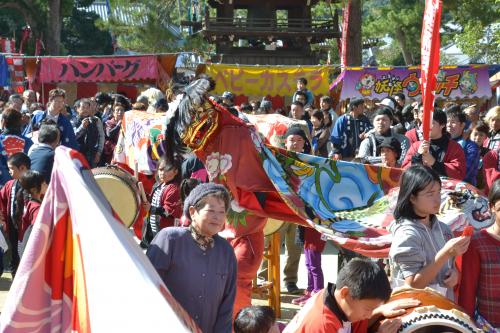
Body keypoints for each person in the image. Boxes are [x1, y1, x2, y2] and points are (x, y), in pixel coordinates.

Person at [146, 183, 237, 333]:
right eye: (211, 210)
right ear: (193, 212)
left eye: (222, 212)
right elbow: (149, 286)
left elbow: (227, 305)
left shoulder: (226, 251)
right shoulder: (170, 239)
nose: (217, 217)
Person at [389, 165, 471, 300]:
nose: (437, 199)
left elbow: (451, 265)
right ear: (412, 197)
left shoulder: (443, 228)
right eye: (430, 194)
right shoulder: (407, 233)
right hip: (417, 314)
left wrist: (454, 275)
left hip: (443, 309)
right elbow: (413, 285)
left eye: (439, 192)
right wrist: (444, 254)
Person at [284, 258, 418, 333]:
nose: (369, 314)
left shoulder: (342, 304)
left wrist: (379, 311)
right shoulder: (322, 324)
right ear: (345, 293)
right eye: (368, 309)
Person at [459, 179, 500, 330]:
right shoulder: (477, 243)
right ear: (491, 208)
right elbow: (468, 291)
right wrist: (466, 325)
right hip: (488, 325)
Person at [402, 109, 466, 180]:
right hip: (420, 187)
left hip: (445, 189)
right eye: (424, 122)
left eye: (431, 122)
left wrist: (434, 163)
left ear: (442, 125)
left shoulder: (454, 148)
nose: (426, 126)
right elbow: (405, 171)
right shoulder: (416, 146)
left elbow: (459, 173)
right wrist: (417, 156)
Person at [0, 152, 31, 277]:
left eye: (11, 169)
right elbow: (1, 199)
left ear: (22, 168)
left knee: (27, 255)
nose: (10, 172)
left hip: (28, 229)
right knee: (14, 256)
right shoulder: (10, 185)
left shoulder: (34, 184)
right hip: (13, 228)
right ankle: (15, 282)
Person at [141, 156, 182, 247]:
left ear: (176, 171)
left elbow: (168, 211)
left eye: (166, 170)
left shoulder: (174, 188)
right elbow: (153, 201)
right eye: (160, 169)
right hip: (154, 230)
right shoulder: (159, 185)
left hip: (165, 232)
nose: (162, 173)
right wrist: (141, 194)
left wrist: (151, 209)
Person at [15, 170, 47, 258]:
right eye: (44, 184)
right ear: (34, 189)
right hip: (30, 247)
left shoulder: (28, 202)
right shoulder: (36, 207)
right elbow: (37, 230)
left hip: (23, 243)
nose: (46, 185)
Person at [445, 106, 480, 185]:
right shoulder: (443, 142)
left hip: (464, 188)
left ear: (462, 125)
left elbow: (463, 173)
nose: (449, 125)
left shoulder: (471, 147)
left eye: (453, 122)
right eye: (447, 122)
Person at [0, 108, 34, 185]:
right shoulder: (29, 142)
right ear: (20, 123)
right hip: (24, 185)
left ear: (3, 122)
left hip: (3, 186)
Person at [72, 98, 103, 168]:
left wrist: (99, 153)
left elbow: (101, 137)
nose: (85, 110)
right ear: (77, 109)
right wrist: (82, 127)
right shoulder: (73, 121)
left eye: (87, 108)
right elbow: (73, 136)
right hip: (78, 154)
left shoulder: (95, 120)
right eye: (83, 107)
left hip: (92, 154)